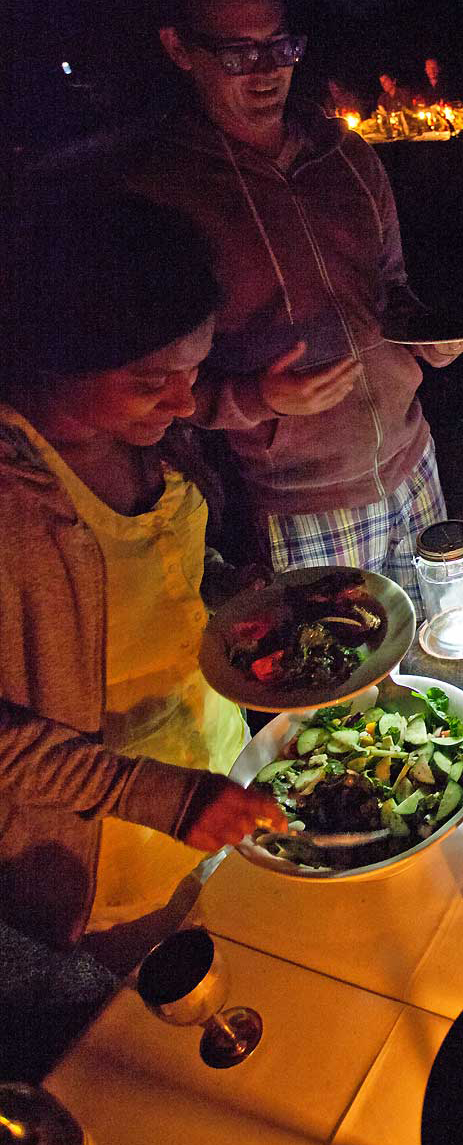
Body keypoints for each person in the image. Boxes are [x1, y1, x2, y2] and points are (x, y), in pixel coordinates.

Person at [122, 0, 463, 605]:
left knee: (440, 646)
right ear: (178, 48)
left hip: (413, 458)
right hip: (301, 505)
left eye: (280, 46)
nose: (266, 70)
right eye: (237, 52)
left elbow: (391, 291)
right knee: (341, 690)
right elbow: (145, 390)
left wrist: (427, 337)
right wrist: (257, 399)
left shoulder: (346, 157)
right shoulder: (164, 191)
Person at [0, 188, 286, 950]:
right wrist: (154, 795)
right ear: (55, 356)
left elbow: (153, 577)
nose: (187, 400)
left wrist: (230, 592)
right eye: (151, 379)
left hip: (224, 778)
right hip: (109, 860)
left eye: (195, 368)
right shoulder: (14, 499)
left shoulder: (142, 437)